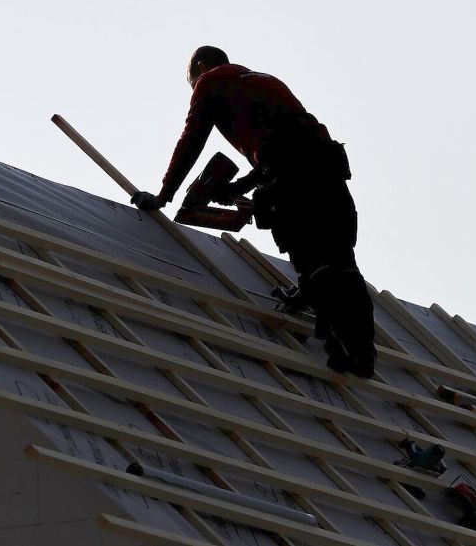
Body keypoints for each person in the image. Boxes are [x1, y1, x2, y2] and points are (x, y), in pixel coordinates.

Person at [131, 46, 376, 377]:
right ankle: (361, 350)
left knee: (313, 255)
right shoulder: (265, 81)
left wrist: (164, 194)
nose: (195, 91)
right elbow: (282, 147)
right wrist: (239, 188)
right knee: (339, 256)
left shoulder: (210, 81)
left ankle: (343, 351)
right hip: (326, 167)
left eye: (192, 84)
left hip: (292, 174)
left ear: (202, 67)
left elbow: (193, 137)